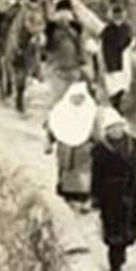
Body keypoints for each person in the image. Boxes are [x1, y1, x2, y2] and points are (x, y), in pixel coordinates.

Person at [90, 107, 136, 271]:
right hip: (110, 196)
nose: (116, 130)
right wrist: (96, 198)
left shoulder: (134, 144)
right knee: (114, 232)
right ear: (107, 130)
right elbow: (96, 176)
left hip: (131, 192)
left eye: (118, 126)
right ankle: (115, 266)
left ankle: (121, 256)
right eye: (112, 128)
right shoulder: (100, 149)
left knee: (130, 229)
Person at [46, 81, 97, 211]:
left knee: (83, 176)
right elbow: (51, 127)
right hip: (65, 150)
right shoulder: (60, 110)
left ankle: (83, 198)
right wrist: (49, 143)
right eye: (75, 98)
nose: (77, 101)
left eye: (80, 98)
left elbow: (97, 131)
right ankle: (67, 197)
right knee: (66, 172)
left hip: (84, 151)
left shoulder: (91, 111)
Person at [100, 1, 133, 112]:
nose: (118, 18)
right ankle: (116, 106)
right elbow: (105, 48)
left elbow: (127, 41)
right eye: (116, 16)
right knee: (114, 86)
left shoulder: (126, 28)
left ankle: (118, 104)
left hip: (123, 60)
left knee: (123, 84)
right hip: (112, 61)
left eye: (120, 16)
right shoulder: (108, 31)